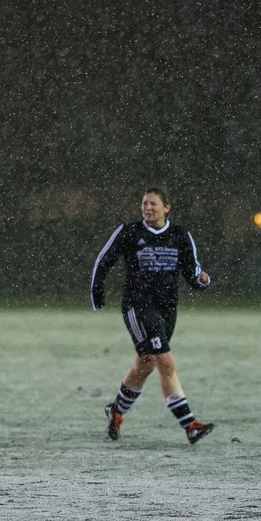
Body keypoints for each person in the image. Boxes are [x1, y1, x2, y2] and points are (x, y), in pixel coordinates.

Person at [90, 187, 214, 444]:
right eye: (144, 203)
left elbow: (192, 271)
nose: (147, 208)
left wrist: (201, 280)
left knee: (146, 363)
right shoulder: (130, 232)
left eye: (153, 204)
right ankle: (189, 424)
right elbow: (103, 261)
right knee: (165, 363)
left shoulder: (179, 235)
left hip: (167, 308)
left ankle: (116, 411)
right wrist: (97, 295)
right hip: (138, 307)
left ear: (167, 207)